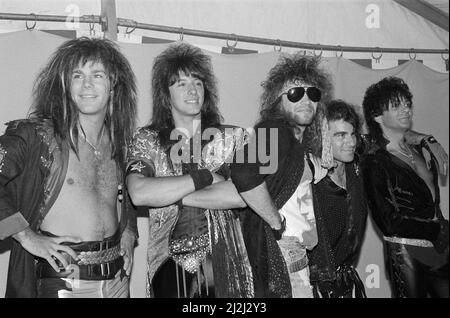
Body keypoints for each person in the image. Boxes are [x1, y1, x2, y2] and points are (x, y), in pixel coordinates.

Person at [0, 37, 138, 298]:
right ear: (65, 86)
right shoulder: (36, 137)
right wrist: (25, 236)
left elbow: (127, 194)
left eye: (97, 74)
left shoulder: (122, 143)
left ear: (114, 85)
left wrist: (129, 233)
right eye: (77, 75)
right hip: (62, 282)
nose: (87, 84)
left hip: (116, 282)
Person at [126, 42, 254, 298]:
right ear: (166, 93)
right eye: (181, 83)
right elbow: (139, 192)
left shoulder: (233, 138)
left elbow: (243, 196)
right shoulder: (147, 139)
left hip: (227, 264)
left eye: (197, 81)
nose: (192, 90)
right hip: (169, 268)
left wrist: (171, 193)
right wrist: (205, 177)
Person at [230, 53, 333, 297]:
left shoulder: (296, 145)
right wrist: (277, 224)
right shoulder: (274, 130)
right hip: (281, 258)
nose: (306, 99)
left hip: (295, 258)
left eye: (313, 93)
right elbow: (243, 171)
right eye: (296, 93)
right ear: (277, 101)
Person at [361, 76, 449, 298]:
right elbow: (388, 222)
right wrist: (436, 230)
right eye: (396, 105)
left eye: (407, 104)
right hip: (406, 251)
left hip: (440, 249)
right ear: (377, 116)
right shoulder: (374, 160)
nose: (405, 110)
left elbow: (431, 204)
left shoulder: (421, 151)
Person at [307, 100, 367, 298]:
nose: (350, 142)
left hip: (347, 280)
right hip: (314, 286)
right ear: (321, 137)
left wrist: (425, 138)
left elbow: (388, 138)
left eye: (352, 134)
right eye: (340, 135)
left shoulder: (356, 167)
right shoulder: (308, 180)